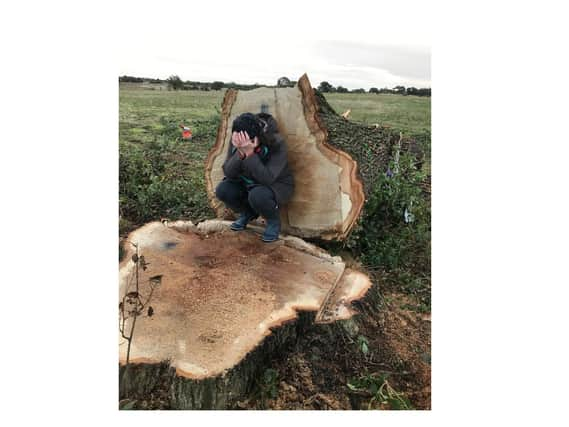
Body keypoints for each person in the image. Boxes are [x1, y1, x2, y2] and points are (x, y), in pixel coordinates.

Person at [215, 112, 294, 242]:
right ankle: (247, 213)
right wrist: (240, 153)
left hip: (275, 186)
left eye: (243, 142)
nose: (239, 143)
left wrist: (250, 154)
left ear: (256, 138)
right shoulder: (238, 139)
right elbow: (228, 172)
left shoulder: (276, 143)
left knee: (257, 195)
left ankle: (273, 221)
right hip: (247, 182)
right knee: (223, 190)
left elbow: (267, 178)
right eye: (237, 140)